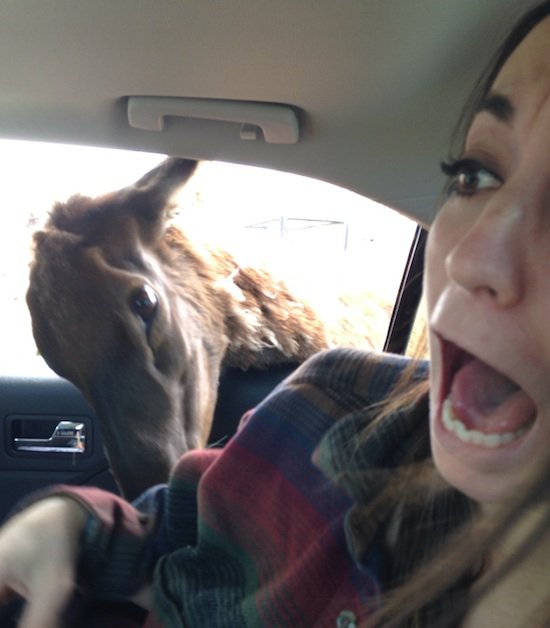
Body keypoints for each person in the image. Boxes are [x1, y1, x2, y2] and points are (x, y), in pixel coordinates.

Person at [1, 2, 549, 626]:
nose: (471, 255)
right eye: (476, 175)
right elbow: (174, 527)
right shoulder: (327, 405)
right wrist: (69, 522)